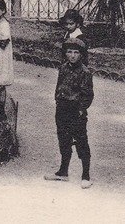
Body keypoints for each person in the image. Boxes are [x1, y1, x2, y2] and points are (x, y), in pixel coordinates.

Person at [44, 38, 94, 189]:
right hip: (62, 108)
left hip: (76, 110)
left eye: (76, 52)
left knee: (81, 141)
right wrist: (58, 101)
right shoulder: (63, 68)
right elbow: (59, 86)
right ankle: (63, 172)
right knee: (63, 140)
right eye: (69, 52)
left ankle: (86, 175)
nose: (72, 55)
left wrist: (80, 109)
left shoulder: (85, 72)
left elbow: (88, 95)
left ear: (81, 55)